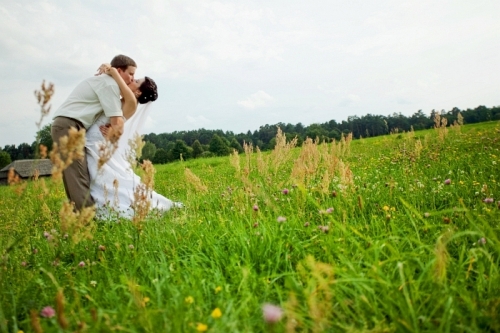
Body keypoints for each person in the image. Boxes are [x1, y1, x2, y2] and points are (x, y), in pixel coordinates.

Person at [86, 64, 180, 219]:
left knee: (105, 179)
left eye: (136, 80)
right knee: (106, 178)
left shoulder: (131, 100)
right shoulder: (125, 99)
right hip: (98, 143)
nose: (131, 80)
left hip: (98, 143)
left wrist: (113, 71)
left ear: (138, 91)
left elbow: (117, 78)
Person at [51, 55, 136, 211]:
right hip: (69, 126)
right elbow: (117, 121)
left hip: (69, 126)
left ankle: (79, 217)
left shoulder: (106, 81)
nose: (132, 78)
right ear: (119, 71)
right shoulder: (110, 85)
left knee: (74, 176)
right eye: (130, 73)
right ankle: (86, 220)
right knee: (77, 177)